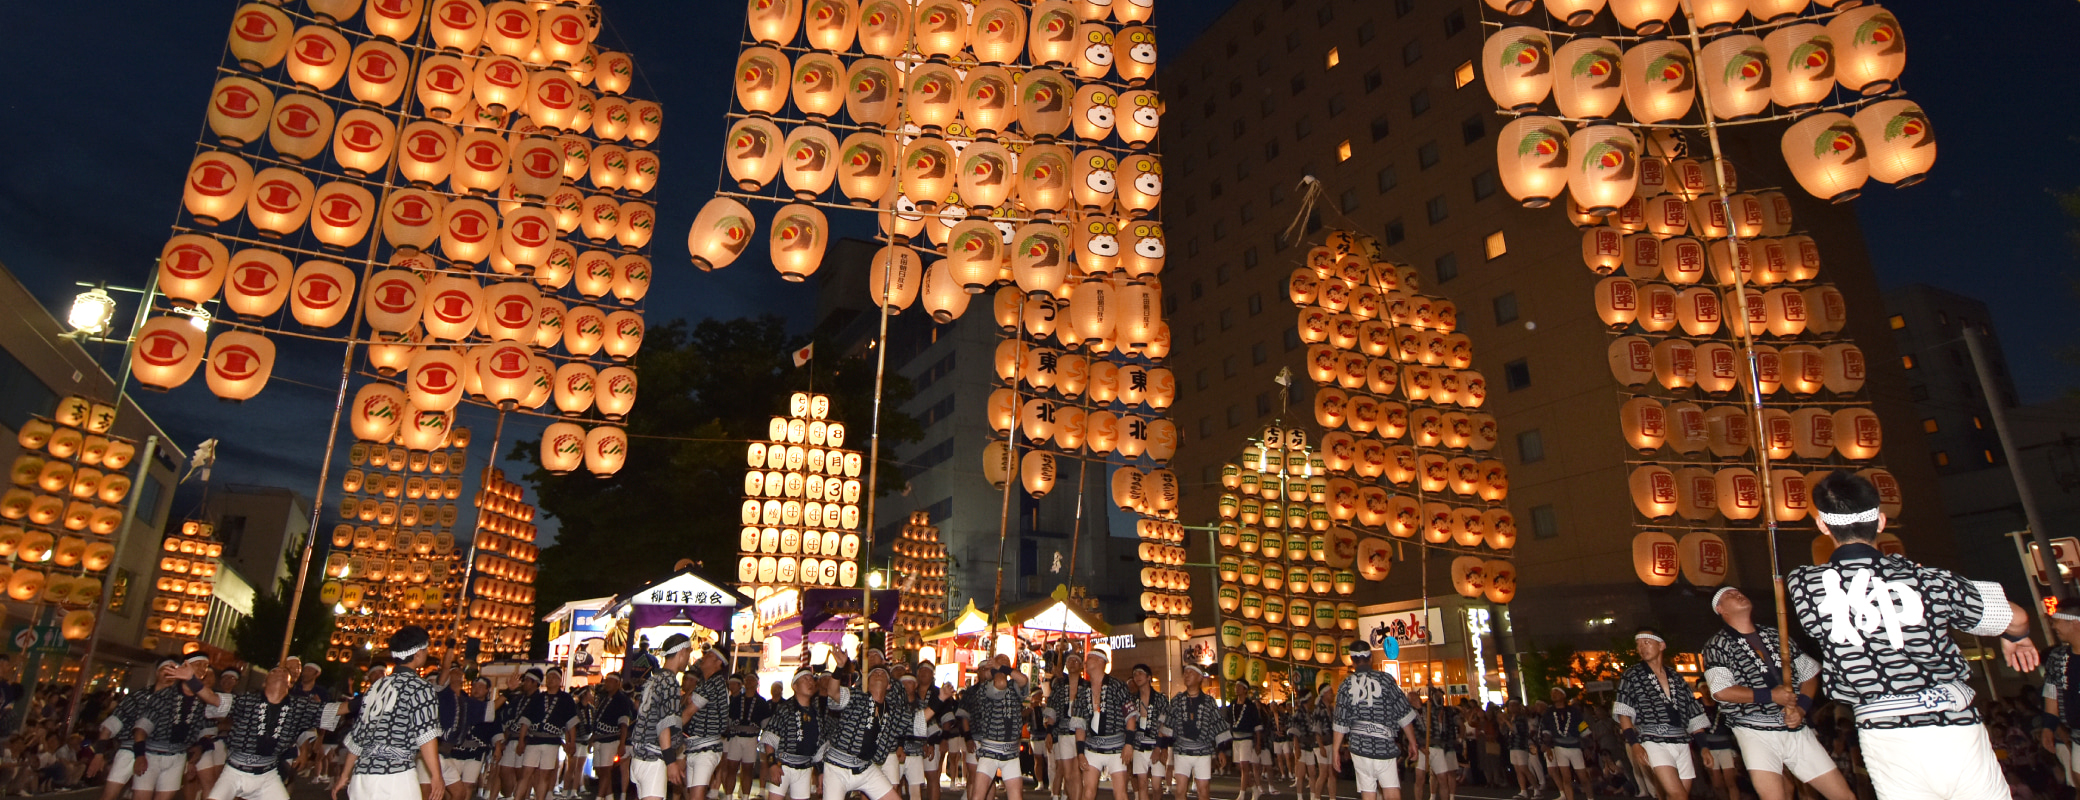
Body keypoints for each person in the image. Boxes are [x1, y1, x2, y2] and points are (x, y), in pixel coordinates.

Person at [1785, 471, 2038, 800]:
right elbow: (2016, 618)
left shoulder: (1805, 584)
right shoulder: (1929, 580)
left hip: (1885, 731)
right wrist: (2017, 638)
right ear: (1880, 521)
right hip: (1955, 723)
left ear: (1822, 525)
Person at [1702, 587, 1855, 800]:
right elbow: (1721, 691)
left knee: (1844, 796)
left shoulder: (1776, 635)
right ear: (1720, 609)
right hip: (1754, 731)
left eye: (1739, 591)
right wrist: (1770, 696)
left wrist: (1801, 708)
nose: (1737, 594)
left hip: (1795, 727)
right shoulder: (1717, 645)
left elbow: (1809, 674)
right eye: (1728, 595)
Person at [334, 625, 445, 800]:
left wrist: (344, 776)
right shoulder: (420, 687)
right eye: (426, 649)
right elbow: (426, 735)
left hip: (361, 778)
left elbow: (358, 735)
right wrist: (436, 776)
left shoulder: (375, 687)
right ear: (417, 654)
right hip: (396, 776)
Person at [206, 663, 333, 800]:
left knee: (285, 782)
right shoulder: (249, 699)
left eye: (298, 668)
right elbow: (215, 703)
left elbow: (305, 726)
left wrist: (304, 750)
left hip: (278, 758)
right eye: (292, 667)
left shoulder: (300, 700)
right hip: (239, 760)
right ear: (265, 682)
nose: (295, 671)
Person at [1613, 628, 1706, 800]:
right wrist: (1634, 743)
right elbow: (1624, 712)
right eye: (1638, 644)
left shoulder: (1676, 677)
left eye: (1646, 642)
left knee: (1678, 795)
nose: (1641, 647)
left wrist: (1704, 746)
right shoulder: (1632, 675)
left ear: (1661, 645)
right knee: (1678, 795)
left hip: (1681, 741)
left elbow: (1694, 711)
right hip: (1652, 740)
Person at [1330, 640, 1417, 800]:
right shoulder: (1386, 680)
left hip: (1359, 745)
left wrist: (1335, 750)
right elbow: (1403, 713)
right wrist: (1412, 741)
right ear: (1371, 658)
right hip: (1383, 743)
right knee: (1391, 790)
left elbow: (1340, 722)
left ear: (1352, 661)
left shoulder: (1346, 685)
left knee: (1368, 792)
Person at [134, 653, 226, 800]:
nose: (203, 669)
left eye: (205, 666)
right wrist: (139, 755)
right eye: (198, 665)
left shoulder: (204, 700)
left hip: (178, 756)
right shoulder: (164, 695)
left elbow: (207, 730)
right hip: (151, 754)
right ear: (185, 667)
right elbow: (142, 728)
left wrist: (199, 748)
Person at [820, 663, 912, 800]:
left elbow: (919, 721)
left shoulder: (893, 710)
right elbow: (833, 693)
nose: (879, 674)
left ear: (889, 685)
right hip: (837, 767)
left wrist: (940, 699)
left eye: (883, 674)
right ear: (866, 683)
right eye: (874, 673)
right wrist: (839, 667)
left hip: (865, 767)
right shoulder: (855, 696)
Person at [630, 638, 693, 800]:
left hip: (639, 756)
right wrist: (671, 761)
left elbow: (640, 708)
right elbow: (664, 724)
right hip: (654, 758)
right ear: (681, 652)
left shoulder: (652, 679)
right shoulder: (670, 682)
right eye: (689, 653)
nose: (688, 658)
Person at [1070, 650, 1137, 800]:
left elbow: (1131, 717)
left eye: (1090, 658)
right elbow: (1079, 725)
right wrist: (1080, 753)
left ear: (1102, 661)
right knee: (1088, 793)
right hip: (1092, 746)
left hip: (1117, 746)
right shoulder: (1082, 691)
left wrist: (1129, 744)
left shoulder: (1117, 686)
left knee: (1120, 794)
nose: (1086, 662)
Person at [962, 654, 1030, 800]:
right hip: (990, 750)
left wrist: (1001, 668)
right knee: (978, 795)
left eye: (1007, 662)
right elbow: (1000, 683)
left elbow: (1024, 680)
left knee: (1016, 796)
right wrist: (996, 670)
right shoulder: (986, 687)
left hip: (1011, 751)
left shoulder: (1014, 686)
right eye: (1001, 662)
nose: (1005, 664)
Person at [514, 667, 579, 800]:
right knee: (526, 773)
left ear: (560, 681)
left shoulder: (566, 699)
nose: (551, 680)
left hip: (552, 742)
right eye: (549, 677)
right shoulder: (538, 698)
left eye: (554, 677)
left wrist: (572, 742)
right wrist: (521, 741)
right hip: (533, 740)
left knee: (544, 775)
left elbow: (571, 723)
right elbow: (526, 721)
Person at [1166, 663, 1229, 800]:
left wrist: (1221, 749)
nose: (1187, 675)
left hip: (1203, 751)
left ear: (1200, 677)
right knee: (1180, 790)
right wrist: (1161, 747)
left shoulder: (1209, 701)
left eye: (1191, 673)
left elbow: (1217, 725)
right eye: (1185, 673)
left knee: (1203, 791)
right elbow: (1167, 725)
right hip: (1182, 750)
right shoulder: (1177, 700)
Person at [683, 647, 734, 800]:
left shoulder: (713, 684)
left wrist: (667, 734)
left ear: (718, 662)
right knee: (692, 795)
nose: (704, 657)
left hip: (706, 749)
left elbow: (688, 713)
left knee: (696, 797)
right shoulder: (709, 683)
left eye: (709, 655)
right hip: (697, 747)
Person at [438, 675, 499, 800]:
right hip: (455, 750)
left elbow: (496, 730)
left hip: (475, 752)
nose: (476, 689)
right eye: (474, 686)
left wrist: (497, 746)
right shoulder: (462, 702)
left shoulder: (490, 709)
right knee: (450, 783)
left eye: (481, 687)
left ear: (487, 690)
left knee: (469, 784)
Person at [2041, 609, 2080, 789]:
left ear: (2074, 622)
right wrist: (2048, 727)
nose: (2053, 626)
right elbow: (2051, 694)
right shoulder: (2057, 657)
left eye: (2056, 621)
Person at [195, 669, 241, 800]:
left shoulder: (238, 699)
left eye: (231, 678)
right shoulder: (210, 696)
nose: (227, 681)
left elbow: (232, 722)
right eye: (224, 678)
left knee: (217, 782)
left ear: (236, 682)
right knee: (203, 782)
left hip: (223, 744)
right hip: (202, 742)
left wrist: (225, 724)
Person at [1540, 689, 1593, 800]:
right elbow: (1546, 730)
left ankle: (1590, 798)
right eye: (1552, 693)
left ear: (1563, 695)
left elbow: (1583, 728)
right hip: (1559, 747)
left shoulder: (1574, 711)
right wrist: (1547, 746)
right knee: (1566, 777)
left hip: (1575, 747)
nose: (1553, 695)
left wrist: (1587, 747)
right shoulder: (1549, 713)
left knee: (1583, 776)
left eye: (1556, 693)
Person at [1125, 664, 1168, 800]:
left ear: (1149, 677)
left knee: (1156, 785)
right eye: (1135, 674)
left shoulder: (1160, 699)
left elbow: (1164, 724)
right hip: (1139, 745)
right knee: (1142, 783)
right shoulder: (1132, 699)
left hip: (1156, 744)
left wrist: (1160, 747)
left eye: (1140, 674)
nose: (1137, 677)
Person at [590, 673, 635, 800]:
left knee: (606, 770)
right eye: (607, 681)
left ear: (617, 684)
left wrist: (622, 743)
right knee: (600, 770)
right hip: (599, 737)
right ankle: (609, 796)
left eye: (610, 681)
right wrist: (593, 737)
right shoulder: (604, 698)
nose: (607, 683)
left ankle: (599, 797)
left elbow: (624, 724)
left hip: (611, 739)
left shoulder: (622, 700)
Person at [1419, 688, 1463, 800]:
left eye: (1442, 698)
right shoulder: (1430, 710)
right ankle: (1432, 796)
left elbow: (1461, 724)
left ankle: (1451, 796)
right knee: (1434, 773)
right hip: (1436, 745)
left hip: (1448, 744)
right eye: (1439, 698)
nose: (1441, 700)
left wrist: (1460, 738)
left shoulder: (1449, 711)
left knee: (1450, 773)